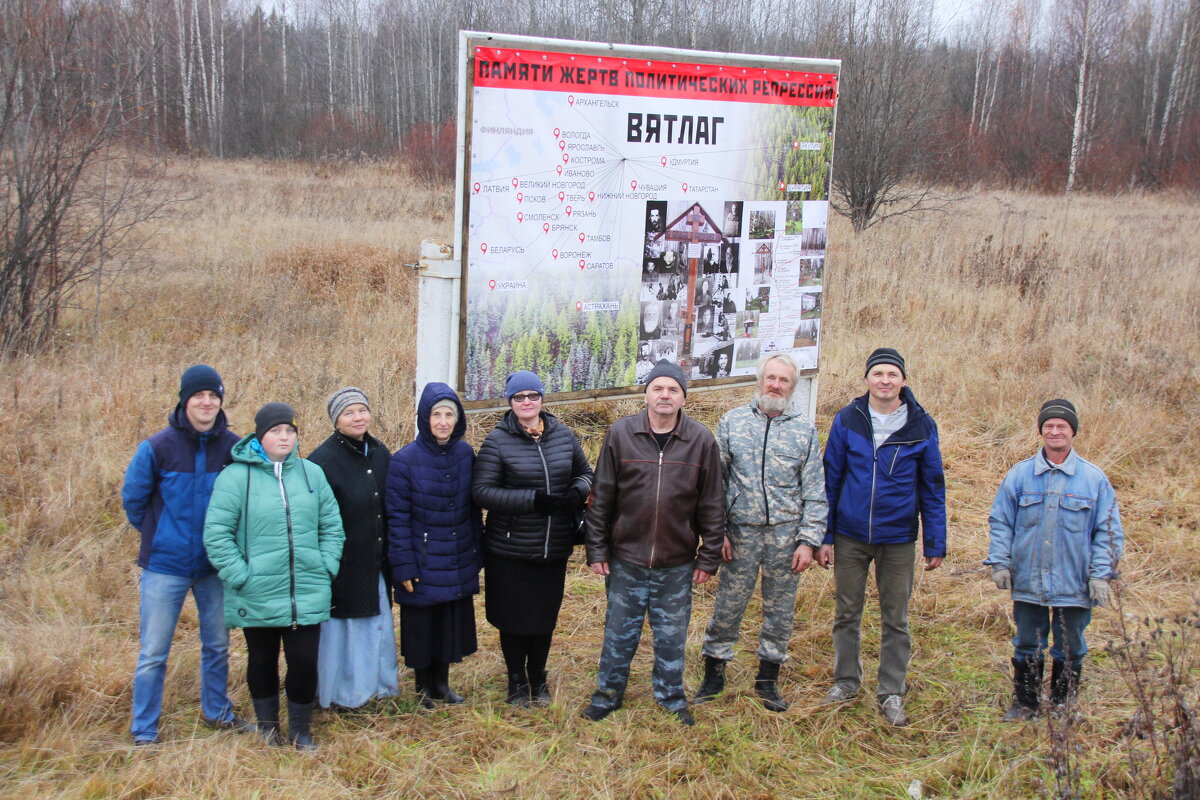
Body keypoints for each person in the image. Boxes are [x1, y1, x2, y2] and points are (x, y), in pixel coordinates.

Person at [581, 360, 725, 726]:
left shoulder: (701, 440)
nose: (665, 395)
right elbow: (601, 497)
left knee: (671, 637)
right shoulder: (621, 434)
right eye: (658, 388)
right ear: (645, 394)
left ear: (683, 398)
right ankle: (607, 696)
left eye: (673, 389)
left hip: (676, 563)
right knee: (618, 635)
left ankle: (672, 698)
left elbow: (712, 502)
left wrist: (708, 557)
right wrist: (596, 548)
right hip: (626, 558)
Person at [122, 364, 252, 745]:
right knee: (153, 652)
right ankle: (145, 729)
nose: (207, 402)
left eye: (213, 396)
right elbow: (134, 500)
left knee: (217, 645)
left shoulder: (234, 447)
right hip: (165, 566)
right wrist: (157, 536)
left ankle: (217, 712)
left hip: (215, 568)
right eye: (199, 396)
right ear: (185, 400)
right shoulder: (157, 447)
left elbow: (247, 498)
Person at [203, 402, 345, 750]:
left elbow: (332, 526)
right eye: (276, 431)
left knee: (303, 661)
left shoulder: (312, 474)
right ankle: (268, 728)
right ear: (260, 436)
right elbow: (217, 534)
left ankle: (301, 730)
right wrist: (242, 576)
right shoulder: (236, 477)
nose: (284, 437)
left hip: (306, 589)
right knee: (262, 659)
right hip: (258, 590)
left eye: (290, 431)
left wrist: (326, 566)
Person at [818, 348, 946, 727]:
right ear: (867, 379)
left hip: (898, 538)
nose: (885, 380)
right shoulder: (848, 420)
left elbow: (933, 487)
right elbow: (831, 479)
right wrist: (825, 536)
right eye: (878, 374)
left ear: (903, 381)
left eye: (892, 374)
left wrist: (934, 542)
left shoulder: (921, 425)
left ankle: (891, 691)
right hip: (850, 535)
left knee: (896, 618)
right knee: (847, 613)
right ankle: (845, 682)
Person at [694, 354, 826, 712]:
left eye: (784, 380)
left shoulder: (805, 431)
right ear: (759, 381)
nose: (775, 385)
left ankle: (768, 678)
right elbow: (714, 484)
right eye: (770, 378)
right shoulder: (733, 422)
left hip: (786, 537)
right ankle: (714, 672)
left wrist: (808, 541)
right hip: (739, 535)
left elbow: (815, 490)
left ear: (793, 387)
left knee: (780, 610)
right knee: (728, 605)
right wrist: (716, 532)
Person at [986, 400, 1123, 720]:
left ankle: (1063, 705)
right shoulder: (1020, 475)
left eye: (1062, 426)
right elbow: (1001, 522)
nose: (1055, 431)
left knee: (1071, 646)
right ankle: (1025, 704)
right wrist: (1000, 562)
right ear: (1041, 432)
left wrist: (1100, 575)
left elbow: (1109, 532)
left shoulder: (1093, 479)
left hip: (1075, 581)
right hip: (1028, 578)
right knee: (1026, 643)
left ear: (1073, 431)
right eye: (1049, 426)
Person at [472, 371, 594, 707]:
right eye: (519, 397)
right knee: (513, 620)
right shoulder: (497, 441)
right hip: (510, 548)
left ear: (542, 398)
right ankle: (516, 682)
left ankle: (538, 679)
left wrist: (576, 492)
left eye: (533, 395)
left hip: (552, 546)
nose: (527, 402)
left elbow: (586, 473)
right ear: (510, 403)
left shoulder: (563, 435)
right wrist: (533, 500)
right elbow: (482, 492)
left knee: (543, 618)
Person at [386, 383, 483, 708]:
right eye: (436, 415)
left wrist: (476, 552)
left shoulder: (465, 454)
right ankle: (423, 689)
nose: (443, 421)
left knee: (448, 624)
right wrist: (404, 565)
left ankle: (442, 684)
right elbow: (397, 520)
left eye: (449, 414)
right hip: (422, 559)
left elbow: (473, 510)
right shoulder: (403, 461)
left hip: (456, 554)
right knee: (422, 628)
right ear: (424, 418)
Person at [307, 387, 399, 710]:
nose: (358, 417)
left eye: (362, 410)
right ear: (336, 420)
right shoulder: (321, 461)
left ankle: (378, 684)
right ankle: (345, 693)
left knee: (374, 625)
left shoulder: (379, 452)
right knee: (344, 632)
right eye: (349, 413)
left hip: (373, 559)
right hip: (343, 565)